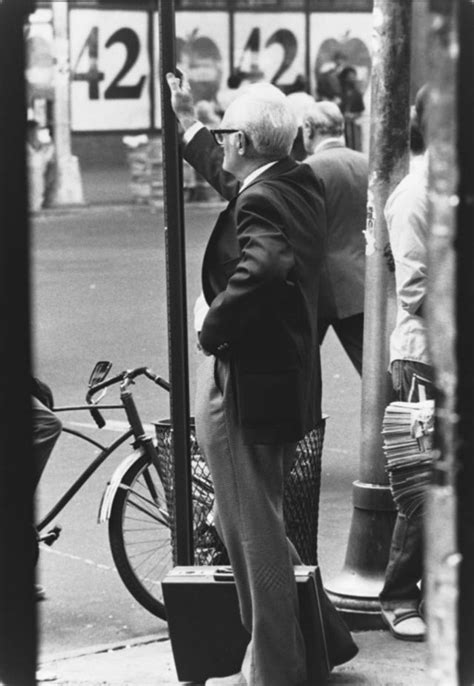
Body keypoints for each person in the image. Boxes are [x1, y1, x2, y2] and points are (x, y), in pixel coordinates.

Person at [166, 73, 329, 686]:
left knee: (251, 532)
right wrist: (189, 124)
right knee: (254, 522)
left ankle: (273, 672)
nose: (224, 148)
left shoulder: (263, 198)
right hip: (286, 379)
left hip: (245, 380)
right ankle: (316, 642)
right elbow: (240, 183)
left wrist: (212, 325)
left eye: (228, 135)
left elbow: (263, 267)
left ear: (243, 140)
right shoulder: (296, 179)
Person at [379, 84, 433, 642]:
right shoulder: (415, 195)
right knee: (422, 482)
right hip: (425, 358)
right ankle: (397, 596)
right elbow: (416, 288)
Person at [301, 100, 368, 376]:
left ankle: (309, 420)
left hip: (318, 286)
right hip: (361, 281)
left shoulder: (307, 170)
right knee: (374, 370)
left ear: (308, 129)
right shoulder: (367, 163)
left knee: (301, 372)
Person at [338, 66, 365, 151]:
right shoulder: (339, 93)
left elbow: (361, 111)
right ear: (345, 78)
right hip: (341, 127)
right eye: (350, 76)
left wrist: (352, 116)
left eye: (354, 76)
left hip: (354, 126)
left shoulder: (357, 94)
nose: (353, 78)